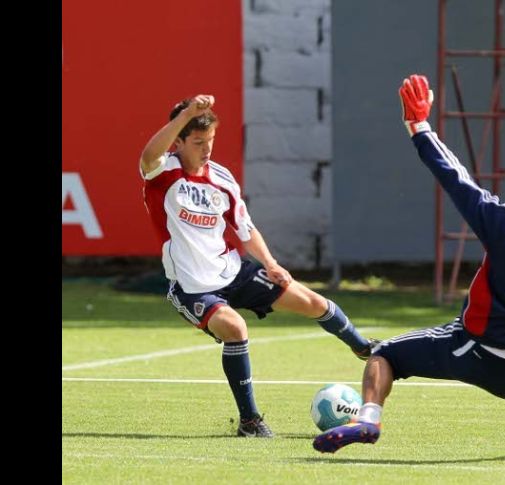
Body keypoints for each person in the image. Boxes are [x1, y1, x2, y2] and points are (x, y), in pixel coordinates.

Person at [312, 55, 505, 453]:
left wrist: (418, 125)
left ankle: (368, 419)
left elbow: (454, 176)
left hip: (469, 351)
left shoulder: (503, 224)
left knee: (384, 355)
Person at [139, 95, 378, 438]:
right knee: (235, 329)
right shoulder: (162, 173)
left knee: (312, 301)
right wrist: (187, 113)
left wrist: (271, 263)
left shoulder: (221, 178)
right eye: (198, 143)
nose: (207, 149)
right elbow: (148, 155)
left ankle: (363, 347)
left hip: (233, 272)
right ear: (179, 141)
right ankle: (250, 421)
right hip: (193, 287)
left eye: (211, 141)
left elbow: (244, 229)